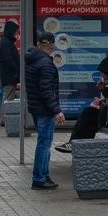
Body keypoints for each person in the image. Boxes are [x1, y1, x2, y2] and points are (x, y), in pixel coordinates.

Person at [24, 31, 65, 190]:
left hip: (36, 107)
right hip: (45, 109)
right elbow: (47, 90)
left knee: (44, 142)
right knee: (44, 143)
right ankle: (39, 178)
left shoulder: (32, 59)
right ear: (53, 45)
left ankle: (44, 174)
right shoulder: (46, 63)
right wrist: (56, 110)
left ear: (39, 44)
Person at [55, 56, 108, 154]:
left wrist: (102, 96)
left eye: (102, 72)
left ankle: (78, 145)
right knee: (88, 113)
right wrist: (103, 91)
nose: (101, 74)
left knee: (90, 116)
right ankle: (80, 145)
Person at [0, 20, 20, 127]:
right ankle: (4, 118)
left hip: (8, 74)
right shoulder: (6, 43)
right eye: (15, 31)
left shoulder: (5, 41)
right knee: (8, 98)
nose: (16, 34)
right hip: (9, 75)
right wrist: (17, 69)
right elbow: (8, 59)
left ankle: (4, 117)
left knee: (7, 97)